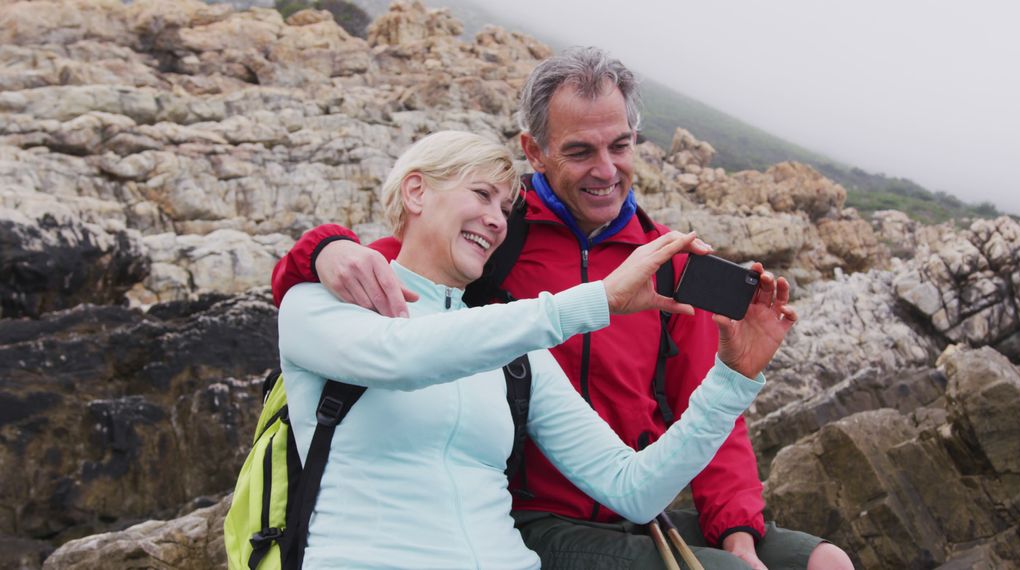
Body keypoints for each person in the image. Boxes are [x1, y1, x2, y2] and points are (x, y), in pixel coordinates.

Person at [273, 48, 854, 570]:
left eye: (620, 146)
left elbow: (650, 465)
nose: (605, 170)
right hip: (538, 520)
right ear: (537, 151)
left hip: (610, 511)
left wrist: (735, 407)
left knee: (821, 562)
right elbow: (399, 306)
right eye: (579, 151)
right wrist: (321, 247)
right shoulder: (483, 260)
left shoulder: (655, 267)